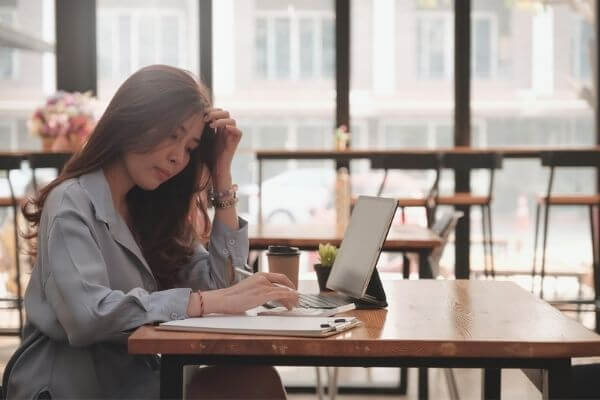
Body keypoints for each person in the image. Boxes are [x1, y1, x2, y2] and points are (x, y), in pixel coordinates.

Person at [4, 65, 298, 399]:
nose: (177, 158)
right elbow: (86, 316)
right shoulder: (71, 201)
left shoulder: (152, 209)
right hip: (72, 387)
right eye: (172, 136)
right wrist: (200, 303)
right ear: (134, 120)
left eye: (189, 147)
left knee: (255, 382)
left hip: (139, 378)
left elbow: (224, 285)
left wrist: (221, 174)